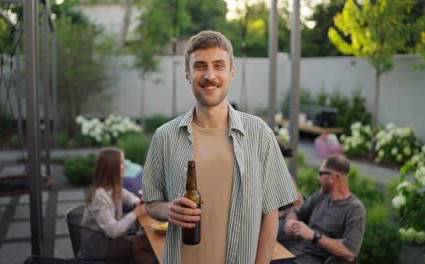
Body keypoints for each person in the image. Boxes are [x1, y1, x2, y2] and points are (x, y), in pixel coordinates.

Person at [142, 30, 297, 264]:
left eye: (219, 65)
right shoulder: (164, 137)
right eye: (200, 66)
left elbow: (270, 213)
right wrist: (168, 210)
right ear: (187, 73)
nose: (210, 75)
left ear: (231, 72)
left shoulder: (259, 134)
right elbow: (152, 203)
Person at [281, 154, 366, 264]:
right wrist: (290, 222)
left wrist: (314, 235)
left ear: (333, 178)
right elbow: (297, 211)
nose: (318, 177)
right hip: (294, 254)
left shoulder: (355, 209)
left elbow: (350, 252)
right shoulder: (321, 195)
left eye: (320, 173)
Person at [82, 147, 154, 263]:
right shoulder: (100, 195)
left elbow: (129, 197)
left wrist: (136, 202)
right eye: (121, 163)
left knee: (146, 257)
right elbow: (113, 231)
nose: (125, 166)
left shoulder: (113, 187)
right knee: (148, 241)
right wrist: (136, 212)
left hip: (111, 241)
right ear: (111, 168)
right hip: (99, 247)